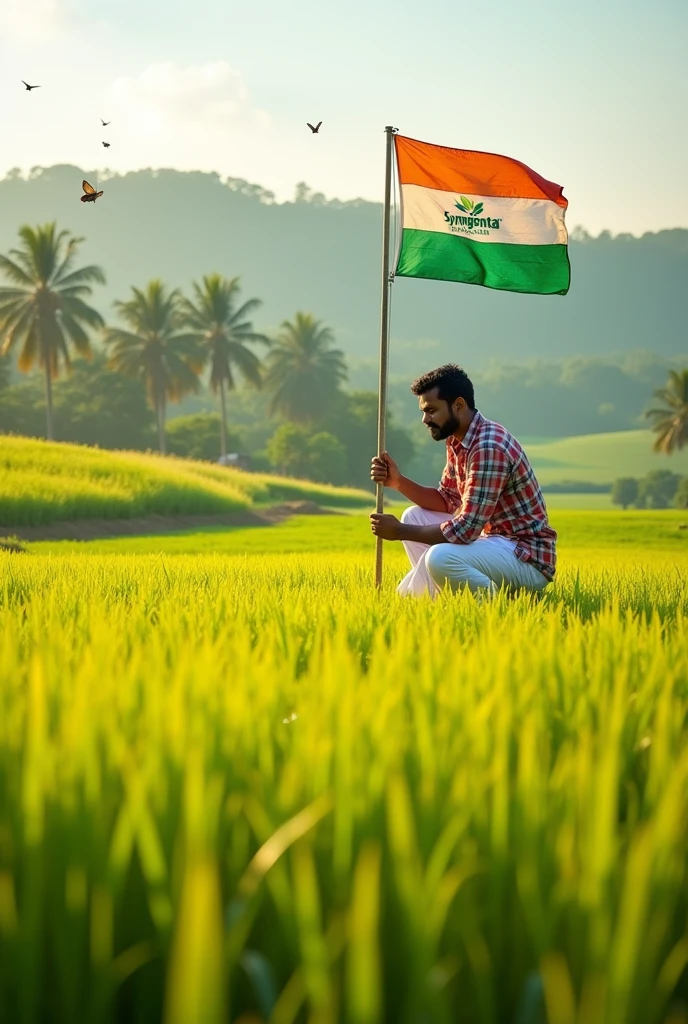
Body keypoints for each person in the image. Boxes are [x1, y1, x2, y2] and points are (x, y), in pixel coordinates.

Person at [370, 364, 556, 598]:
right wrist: (398, 482)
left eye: (431, 410)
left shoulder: (488, 446)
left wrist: (399, 531)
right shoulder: (459, 440)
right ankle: (432, 597)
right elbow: (448, 500)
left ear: (458, 405)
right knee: (414, 516)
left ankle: (493, 606)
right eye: (423, 412)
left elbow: (466, 529)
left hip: (524, 556)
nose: (425, 419)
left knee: (439, 557)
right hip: (493, 542)